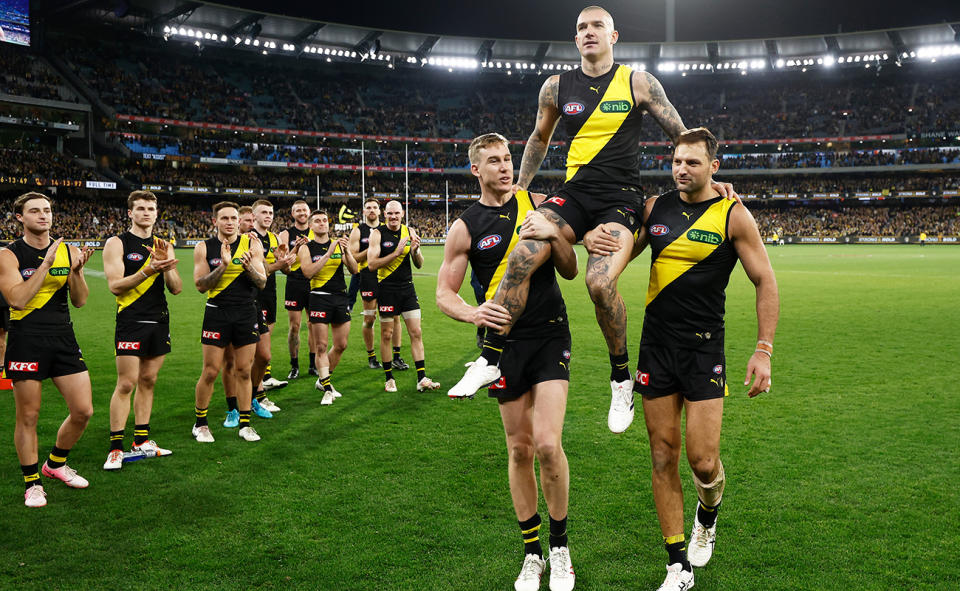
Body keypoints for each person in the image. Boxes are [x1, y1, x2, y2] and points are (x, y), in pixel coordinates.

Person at [448, 5, 735, 438]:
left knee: (599, 283)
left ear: (613, 36)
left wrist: (713, 179)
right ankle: (490, 357)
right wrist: (521, 190)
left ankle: (621, 379)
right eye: (581, 27)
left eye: (596, 25)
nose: (588, 32)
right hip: (574, 195)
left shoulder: (638, 82)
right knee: (524, 252)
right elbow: (540, 138)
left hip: (621, 199)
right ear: (575, 38)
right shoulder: (556, 87)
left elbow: (682, 135)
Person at [588, 128, 778, 591]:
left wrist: (763, 349)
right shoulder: (654, 208)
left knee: (703, 461)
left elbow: (765, 281)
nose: (681, 169)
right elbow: (617, 250)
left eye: (692, 162)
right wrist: (596, 235)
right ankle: (677, 565)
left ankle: (707, 517)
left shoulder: (734, 215)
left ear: (715, 167)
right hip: (657, 346)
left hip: (704, 348)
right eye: (676, 160)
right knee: (661, 455)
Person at [437, 134, 579, 591]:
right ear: (475, 170)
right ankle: (532, 553)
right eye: (493, 161)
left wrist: (553, 232)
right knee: (518, 449)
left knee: (547, 445)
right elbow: (444, 293)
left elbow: (571, 268)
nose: (503, 167)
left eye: (507, 159)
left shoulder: (537, 202)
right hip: (503, 346)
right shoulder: (466, 226)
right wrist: (472, 312)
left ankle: (560, 548)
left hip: (550, 335)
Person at [0, 192, 94, 507]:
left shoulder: (67, 250)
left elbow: (80, 300)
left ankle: (54, 465)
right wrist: (47, 264)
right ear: (19, 218)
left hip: (63, 337)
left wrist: (77, 271)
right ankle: (32, 484)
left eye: (48, 210)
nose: (44, 215)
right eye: (35, 211)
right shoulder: (8, 254)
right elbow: (17, 299)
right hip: (26, 338)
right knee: (28, 415)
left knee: (83, 411)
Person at [102, 191, 182, 471]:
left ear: (157, 213)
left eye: (151, 208)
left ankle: (142, 441)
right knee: (126, 383)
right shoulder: (117, 243)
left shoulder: (164, 244)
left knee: (148, 380)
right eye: (141, 208)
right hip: (130, 320)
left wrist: (165, 265)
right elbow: (115, 285)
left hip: (158, 319)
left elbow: (176, 287)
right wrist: (149, 269)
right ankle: (115, 448)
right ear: (130, 213)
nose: (147, 213)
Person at [191, 201, 267, 443]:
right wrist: (223, 266)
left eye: (234, 218)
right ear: (215, 221)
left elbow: (262, 281)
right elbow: (201, 285)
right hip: (217, 313)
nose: (230, 222)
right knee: (211, 370)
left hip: (245, 313)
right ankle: (200, 423)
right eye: (224, 218)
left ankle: (245, 424)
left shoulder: (252, 244)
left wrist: (248, 269)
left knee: (244, 371)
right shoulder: (204, 247)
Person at [367, 200, 440, 393]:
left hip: (407, 289)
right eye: (390, 213)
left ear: (402, 213)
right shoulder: (377, 234)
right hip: (387, 289)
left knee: (416, 332)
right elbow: (372, 264)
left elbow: (419, 264)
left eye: (396, 213)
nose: (393, 217)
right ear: (385, 214)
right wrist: (397, 252)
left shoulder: (410, 231)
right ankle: (389, 378)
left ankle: (421, 378)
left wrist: (415, 251)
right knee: (386, 334)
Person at [298, 210, 358, 405]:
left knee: (341, 345)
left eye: (324, 220)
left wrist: (347, 251)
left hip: (340, 298)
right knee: (321, 346)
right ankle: (327, 387)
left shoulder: (338, 244)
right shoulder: (307, 248)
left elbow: (355, 270)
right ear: (311, 225)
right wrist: (329, 253)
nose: (322, 223)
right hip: (319, 298)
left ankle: (323, 380)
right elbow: (308, 273)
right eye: (317, 221)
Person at [348, 198, 408, 371]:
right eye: (368, 208)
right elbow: (353, 258)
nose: (372, 210)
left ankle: (396, 356)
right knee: (369, 318)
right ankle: (372, 356)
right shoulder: (358, 231)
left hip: (388, 277)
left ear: (380, 211)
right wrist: (374, 248)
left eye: (375, 207)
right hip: (367, 276)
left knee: (395, 316)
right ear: (364, 211)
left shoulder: (386, 229)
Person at [277, 200, 318, 379]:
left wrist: (311, 245)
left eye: (304, 210)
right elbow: (283, 261)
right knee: (294, 326)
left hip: (313, 282)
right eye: (298, 210)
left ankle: (313, 364)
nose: (302, 213)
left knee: (314, 325)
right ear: (292, 214)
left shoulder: (316, 231)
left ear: (308, 213)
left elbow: (321, 255)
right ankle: (294, 365)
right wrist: (297, 246)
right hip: (294, 282)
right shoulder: (285, 234)